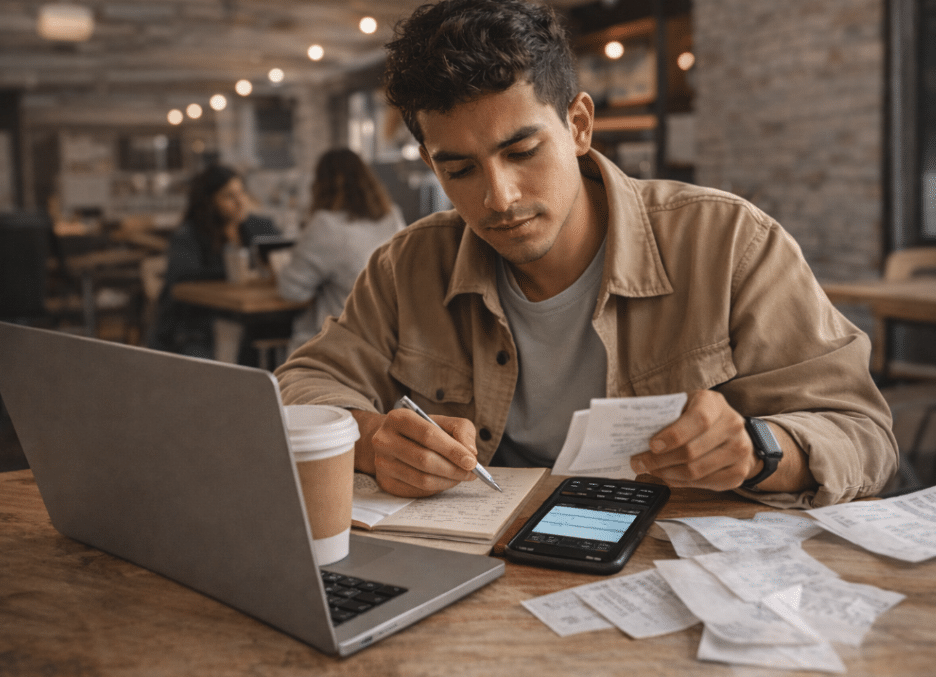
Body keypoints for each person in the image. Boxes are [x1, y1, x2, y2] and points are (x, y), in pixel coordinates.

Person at [275, 0, 898, 508]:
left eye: (522, 152)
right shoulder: (408, 265)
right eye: (460, 168)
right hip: (479, 571)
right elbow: (301, 384)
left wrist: (759, 449)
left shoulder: (730, 241)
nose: (499, 197)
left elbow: (864, 435)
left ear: (578, 125)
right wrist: (372, 437)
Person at [276, 148, 405, 352]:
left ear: (320, 184)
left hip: (338, 349)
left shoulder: (325, 225)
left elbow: (292, 291)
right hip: (390, 342)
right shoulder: (392, 217)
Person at [150, 164, 279, 359]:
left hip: (252, 315)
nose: (240, 201)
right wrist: (235, 271)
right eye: (229, 196)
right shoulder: (188, 235)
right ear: (209, 202)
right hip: (198, 322)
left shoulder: (260, 227)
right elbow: (183, 277)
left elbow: (281, 258)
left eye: (241, 192)